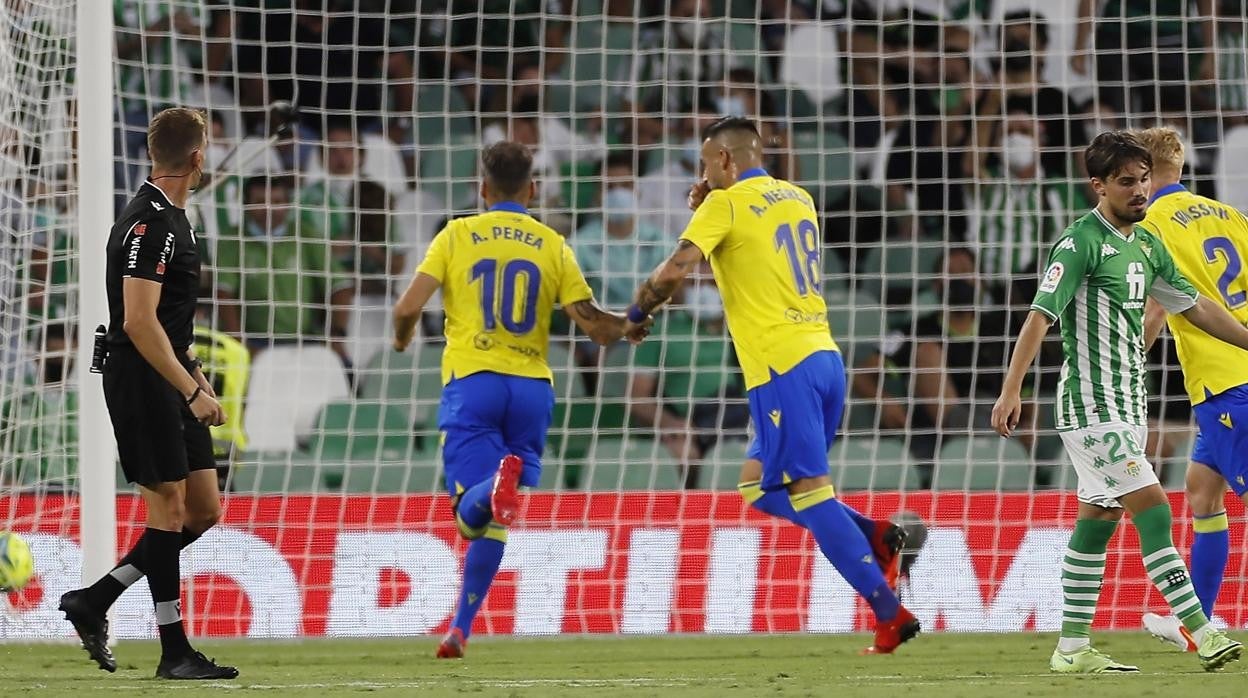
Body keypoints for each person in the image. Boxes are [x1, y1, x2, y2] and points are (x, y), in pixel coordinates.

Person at [625, 117, 917, 654]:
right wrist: (709, 199)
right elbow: (753, 251)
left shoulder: (725, 203)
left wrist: (635, 312)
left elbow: (673, 271)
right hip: (823, 358)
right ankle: (876, 535)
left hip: (781, 367)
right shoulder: (797, 197)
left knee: (809, 491)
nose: (703, 174)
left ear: (725, 161)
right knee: (758, 486)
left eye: (706, 163)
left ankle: (889, 613)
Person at [991, 130, 1246, 673]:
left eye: (1143, 179)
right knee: (1154, 507)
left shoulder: (1149, 244)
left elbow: (1196, 306)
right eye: (1126, 182)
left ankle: (1072, 649)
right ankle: (1201, 630)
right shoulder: (1080, 241)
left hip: (1129, 403)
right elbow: (1040, 316)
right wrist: (1012, 389)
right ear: (1099, 186)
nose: (1139, 190)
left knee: (1097, 521)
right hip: (1089, 405)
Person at [392, 141, 644, 659]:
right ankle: (460, 627)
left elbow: (406, 306)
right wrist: (628, 325)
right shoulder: (551, 243)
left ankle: (491, 486)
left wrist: (400, 339)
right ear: (533, 189)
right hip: (532, 388)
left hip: (476, 381)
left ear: (482, 190)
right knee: (498, 519)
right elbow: (593, 326)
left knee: (469, 511)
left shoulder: (458, 234)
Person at [59, 108, 237, 680]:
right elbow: (137, 321)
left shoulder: (175, 218)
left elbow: (167, 320)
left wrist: (195, 373)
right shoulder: (149, 223)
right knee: (168, 511)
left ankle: (95, 600)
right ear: (197, 158)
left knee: (203, 510)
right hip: (142, 379)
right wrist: (190, 391)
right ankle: (175, 651)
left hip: (171, 374)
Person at [1130, 127, 1248, 652]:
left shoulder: (1151, 225)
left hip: (1230, 381)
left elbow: (1158, 304)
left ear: (1146, 173)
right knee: (1203, 492)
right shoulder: (1228, 214)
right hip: (1226, 381)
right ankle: (1194, 625)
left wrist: (1132, 355)